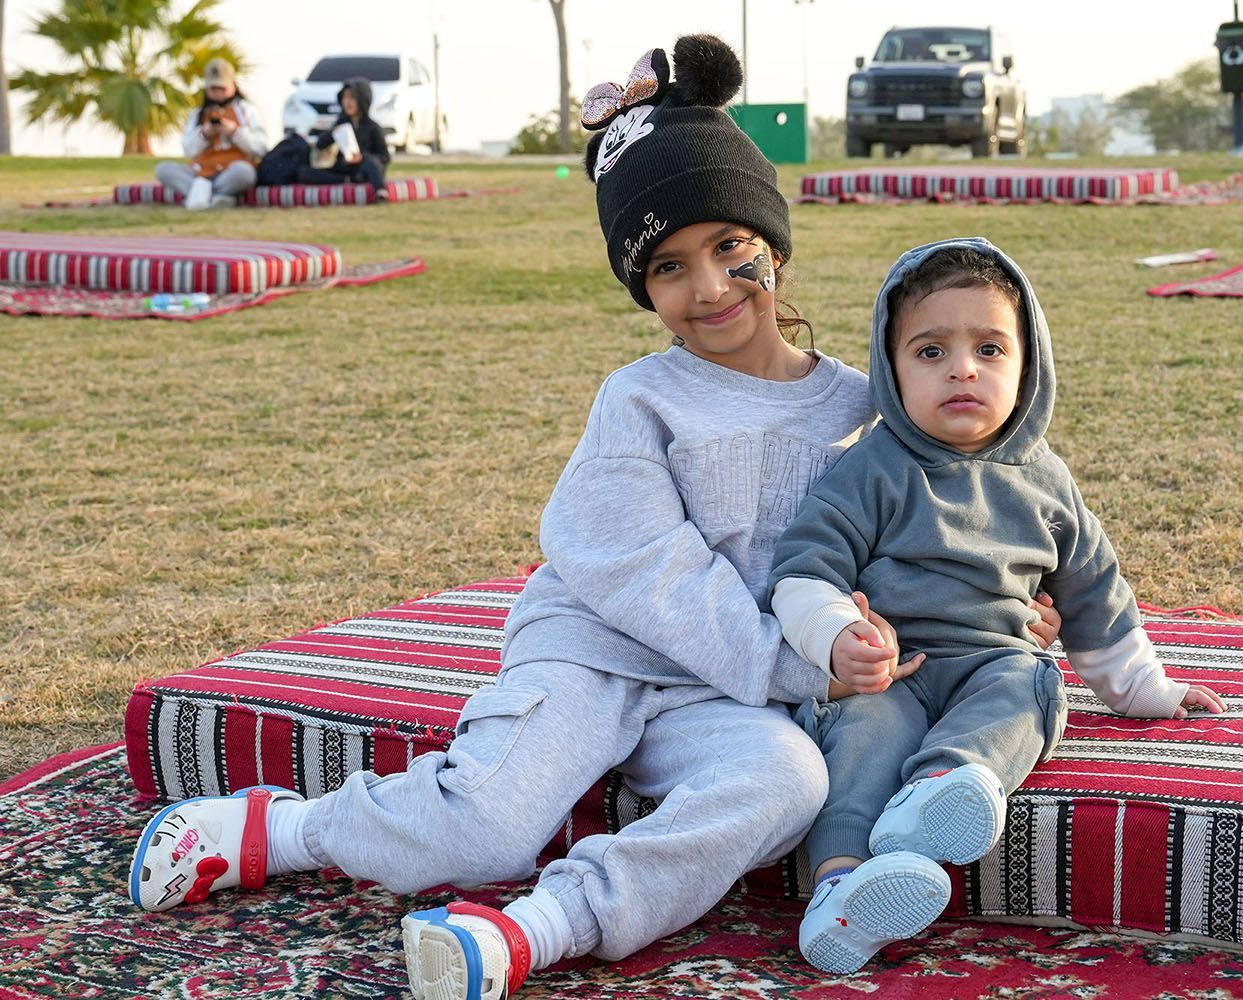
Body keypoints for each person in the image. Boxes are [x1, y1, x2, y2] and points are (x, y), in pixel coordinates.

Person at [127, 36, 1065, 998]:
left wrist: (1002, 602)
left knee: (790, 783)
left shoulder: (866, 408)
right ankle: (276, 828)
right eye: (667, 266)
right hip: (599, 652)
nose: (708, 288)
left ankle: (539, 928)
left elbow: (939, 523)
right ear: (641, 286)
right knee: (488, 825)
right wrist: (797, 665)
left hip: (726, 698)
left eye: (730, 249)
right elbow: (639, 565)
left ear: (774, 245)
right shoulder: (641, 399)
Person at [768, 237, 1228, 975]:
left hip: (994, 660)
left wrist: (1147, 688)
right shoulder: (873, 468)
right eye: (930, 352)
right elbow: (803, 568)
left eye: (989, 348)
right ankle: (839, 891)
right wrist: (836, 634)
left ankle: (937, 795)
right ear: (890, 369)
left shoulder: (1045, 480)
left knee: (1030, 688)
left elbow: (1096, 592)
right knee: (859, 742)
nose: (962, 369)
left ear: (1027, 365)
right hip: (893, 670)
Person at [154, 58, 267, 211]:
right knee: (163, 169)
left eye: (222, 88)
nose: (218, 93)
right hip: (201, 172)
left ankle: (201, 195)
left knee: (245, 173)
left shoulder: (248, 110)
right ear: (206, 88)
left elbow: (261, 148)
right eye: (213, 88)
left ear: (233, 86)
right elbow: (188, 151)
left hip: (232, 171)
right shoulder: (197, 114)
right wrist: (204, 135)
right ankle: (219, 197)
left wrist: (235, 133)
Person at [296, 77, 391, 198]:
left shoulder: (373, 127)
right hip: (345, 170)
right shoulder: (341, 122)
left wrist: (362, 158)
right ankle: (348, 180)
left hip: (364, 168)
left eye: (352, 97)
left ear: (362, 99)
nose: (347, 102)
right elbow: (320, 145)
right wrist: (333, 132)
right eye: (344, 97)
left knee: (371, 161)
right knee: (304, 172)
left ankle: (380, 191)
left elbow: (385, 157)